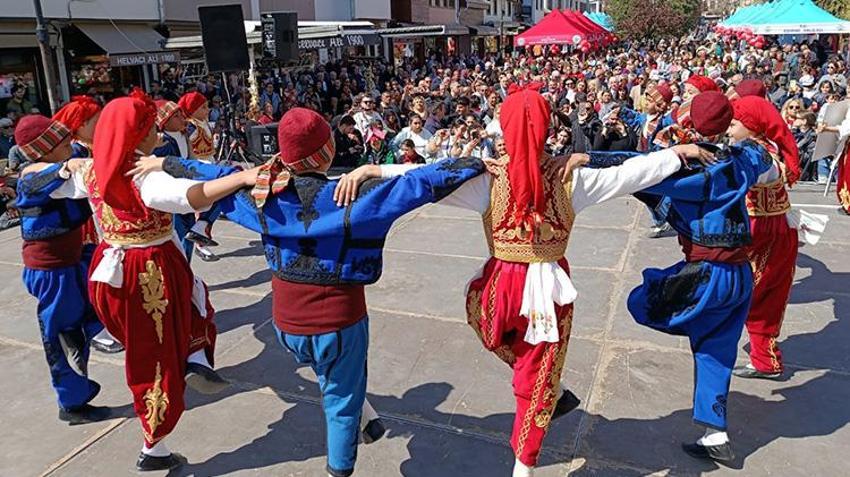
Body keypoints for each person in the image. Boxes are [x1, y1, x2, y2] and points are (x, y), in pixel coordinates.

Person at [342, 85, 716, 477]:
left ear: (504, 128)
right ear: (547, 128)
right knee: (538, 375)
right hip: (550, 294)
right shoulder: (571, 177)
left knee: (498, 335)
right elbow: (631, 173)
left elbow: (425, 179)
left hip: (499, 286)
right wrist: (675, 154)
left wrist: (374, 170)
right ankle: (526, 460)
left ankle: (543, 395)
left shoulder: (485, 177)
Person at [136, 107, 487, 477]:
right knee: (340, 400)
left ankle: (369, 422)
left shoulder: (259, 196)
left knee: (331, 373)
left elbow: (217, 173)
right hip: (338, 322)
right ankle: (340, 468)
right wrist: (375, 169)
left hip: (285, 324)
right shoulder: (356, 197)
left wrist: (165, 164)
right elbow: (443, 173)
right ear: (328, 151)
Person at [50, 90, 252, 471]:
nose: (156, 129)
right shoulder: (143, 175)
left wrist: (61, 168)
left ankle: (194, 358)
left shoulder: (92, 169)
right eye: (149, 126)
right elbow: (191, 196)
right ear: (136, 134)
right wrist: (243, 176)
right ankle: (153, 447)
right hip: (151, 273)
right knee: (155, 360)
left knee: (195, 304)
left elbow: (43, 180)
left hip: (111, 270)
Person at [622, 91, 774, 464]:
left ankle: (693, 327)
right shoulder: (745, 159)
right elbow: (765, 157)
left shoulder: (688, 172)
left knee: (641, 301)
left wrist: (672, 152)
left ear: (691, 122)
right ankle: (715, 433)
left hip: (707, 273)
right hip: (741, 274)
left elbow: (628, 170)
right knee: (715, 350)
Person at [13, 114, 110, 425]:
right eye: (61, 141)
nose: (69, 144)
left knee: (96, 304)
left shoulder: (68, 157)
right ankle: (71, 402)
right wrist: (66, 167)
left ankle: (101, 334)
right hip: (50, 271)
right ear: (45, 150)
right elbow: (39, 177)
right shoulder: (31, 175)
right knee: (60, 334)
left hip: (72, 260)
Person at [728, 96, 801, 380]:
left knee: (750, 294)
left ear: (753, 127)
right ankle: (765, 360)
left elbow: (744, 174)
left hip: (764, 233)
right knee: (761, 298)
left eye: (734, 124)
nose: (729, 130)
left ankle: (761, 359)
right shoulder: (756, 147)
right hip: (767, 230)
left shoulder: (758, 155)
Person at [52, 95, 125, 354]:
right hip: (83, 224)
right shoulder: (76, 152)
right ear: (81, 125)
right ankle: (95, 328)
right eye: (97, 119)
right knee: (89, 276)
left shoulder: (90, 146)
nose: (103, 122)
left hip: (94, 219)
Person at [178, 92, 221, 262]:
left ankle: (200, 231)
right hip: (198, 169)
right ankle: (199, 242)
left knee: (211, 203)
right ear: (192, 109)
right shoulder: (190, 126)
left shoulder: (203, 123)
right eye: (202, 107)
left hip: (208, 165)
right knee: (203, 206)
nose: (207, 109)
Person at [151, 100, 196, 261]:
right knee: (180, 233)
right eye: (175, 116)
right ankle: (183, 268)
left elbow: (190, 157)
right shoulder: (162, 142)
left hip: (186, 187)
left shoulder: (185, 134)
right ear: (164, 121)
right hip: (173, 192)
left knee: (191, 232)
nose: (181, 118)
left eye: (180, 114)